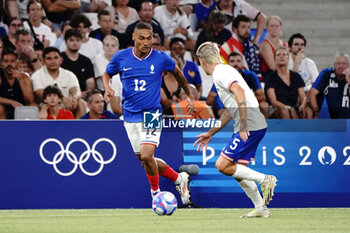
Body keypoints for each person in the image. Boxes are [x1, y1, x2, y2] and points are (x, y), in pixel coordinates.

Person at [102, 22, 195, 204]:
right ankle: (178, 178)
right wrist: (107, 88)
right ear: (134, 38)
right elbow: (106, 74)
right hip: (129, 116)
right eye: (142, 38)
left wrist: (189, 96)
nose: (146, 42)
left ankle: (156, 193)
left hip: (151, 114)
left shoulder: (161, 58)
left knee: (146, 156)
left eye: (149, 38)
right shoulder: (121, 57)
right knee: (145, 160)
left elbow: (179, 74)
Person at [194, 41, 277, 218]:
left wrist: (244, 123)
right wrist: (210, 133)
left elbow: (238, 92)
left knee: (222, 165)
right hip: (250, 121)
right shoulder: (225, 71)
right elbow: (231, 110)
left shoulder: (220, 73)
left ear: (201, 61)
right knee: (236, 170)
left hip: (250, 122)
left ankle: (265, 180)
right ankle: (261, 208)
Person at [31, 46, 86, 118]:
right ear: (43, 61)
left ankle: (79, 128)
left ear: (61, 60)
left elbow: (77, 92)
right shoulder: (37, 75)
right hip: (47, 105)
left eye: (56, 58)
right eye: (49, 58)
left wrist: (73, 99)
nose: (53, 61)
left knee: (81, 102)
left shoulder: (69, 74)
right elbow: (40, 93)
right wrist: (63, 98)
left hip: (67, 105)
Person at [264, 47, 308, 119]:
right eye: (278, 55)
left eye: (284, 54)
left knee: (306, 111)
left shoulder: (296, 76)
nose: (281, 56)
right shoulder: (270, 77)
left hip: (295, 107)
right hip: (278, 109)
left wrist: (302, 106)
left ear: (288, 58)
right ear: (275, 59)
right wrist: (288, 108)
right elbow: (273, 101)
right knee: (284, 111)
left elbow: (303, 96)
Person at [228, 52, 269, 118]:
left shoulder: (251, 75)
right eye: (232, 61)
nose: (235, 64)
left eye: (238, 61)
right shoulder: (222, 76)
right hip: (230, 105)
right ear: (228, 64)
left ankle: (265, 127)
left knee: (264, 105)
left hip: (248, 103)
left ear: (242, 63)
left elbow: (262, 97)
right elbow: (211, 98)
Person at [309, 53, 350, 119]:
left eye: (344, 64)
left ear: (348, 65)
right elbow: (312, 93)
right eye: (338, 63)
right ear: (334, 65)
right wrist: (316, 112)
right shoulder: (327, 73)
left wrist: (349, 81)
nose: (341, 66)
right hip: (330, 117)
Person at [61, 28, 96, 100]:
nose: (75, 43)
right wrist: (76, 95)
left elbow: (90, 81)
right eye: (71, 40)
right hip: (65, 97)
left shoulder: (86, 61)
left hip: (84, 97)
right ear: (65, 42)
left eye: (78, 40)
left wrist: (87, 92)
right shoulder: (59, 59)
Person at [0, 49, 36, 119]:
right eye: (6, 61)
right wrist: (11, 102)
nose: (9, 64)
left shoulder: (24, 77)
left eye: (12, 61)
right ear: (1, 64)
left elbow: (30, 100)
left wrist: (20, 79)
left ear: (18, 63)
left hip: (21, 106)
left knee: (34, 105)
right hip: (4, 107)